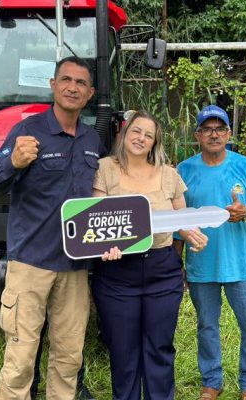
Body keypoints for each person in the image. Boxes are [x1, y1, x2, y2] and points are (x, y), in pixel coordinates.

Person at [0, 56, 101, 400]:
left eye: (81, 83)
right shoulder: (27, 131)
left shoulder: (93, 142)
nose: (72, 87)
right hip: (30, 263)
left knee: (68, 358)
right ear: (53, 85)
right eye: (66, 79)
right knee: (21, 358)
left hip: (75, 267)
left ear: (90, 93)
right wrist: (12, 162)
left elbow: (105, 200)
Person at [92, 111, 209, 400]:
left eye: (148, 134)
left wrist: (193, 232)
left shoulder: (169, 174)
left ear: (154, 142)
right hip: (117, 272)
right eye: (136, 131)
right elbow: (95, 220)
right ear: (124, 132)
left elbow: (182, 217)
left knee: (160, 347)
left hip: (162, 269)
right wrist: (102, 246)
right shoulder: (104, 168)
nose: (141, 138)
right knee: (123, 349)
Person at [175, 105, 246, 400]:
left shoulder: (245, 167)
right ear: (197, 135)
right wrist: (177, 264)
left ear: (229, 134)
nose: (214, 134)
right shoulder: (185, 170)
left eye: (219, 129)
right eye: (207, 129)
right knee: (207, 326)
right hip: (200, 265)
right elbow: (178, 221)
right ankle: (212, 381)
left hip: (240, 265)